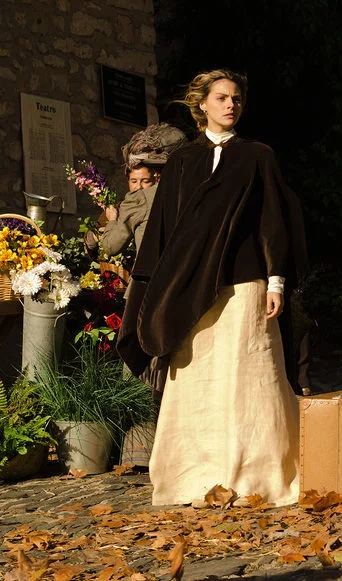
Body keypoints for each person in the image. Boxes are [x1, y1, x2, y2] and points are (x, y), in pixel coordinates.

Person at [117, 69, 308, 507]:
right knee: (199, 377)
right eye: (221, 97)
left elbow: (272, 221)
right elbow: (163, 231)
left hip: (246, 283)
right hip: (190, 287)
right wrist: (152, 290)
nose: (230, 105)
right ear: (202, 104)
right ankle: (195, 473)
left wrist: (276, 280)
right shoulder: (182, 162)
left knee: (252, 375)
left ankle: (257, 474)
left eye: (236, 98)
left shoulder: (258, 156)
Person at [85, 124, 187, 257]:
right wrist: (95, 236)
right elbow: (91, 240)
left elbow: (111, 246)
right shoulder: (118, 208)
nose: (138, 187)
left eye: (145, 181)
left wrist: (112, 222)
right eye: (134, 181)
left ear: (157, 177)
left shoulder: (141, 200)